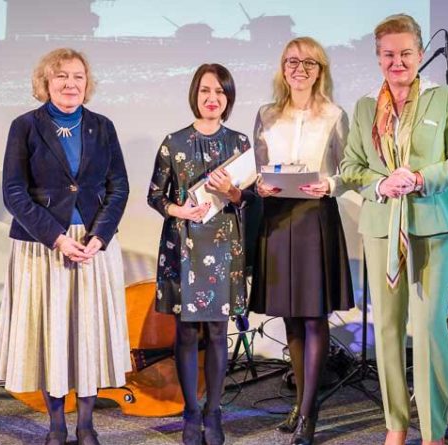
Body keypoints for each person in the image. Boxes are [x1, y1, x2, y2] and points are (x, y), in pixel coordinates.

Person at [339, 14, 448, 445]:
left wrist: (421, 178)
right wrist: (380, 184)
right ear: (378, 57)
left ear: (420, 55)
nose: (396, 62)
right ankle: (396, 426)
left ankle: (434, 431)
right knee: (387, 330)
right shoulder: (365, 106)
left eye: (405, 53)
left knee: (430, 327)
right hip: (382, 226)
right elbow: (351, 167)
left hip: (433, 226)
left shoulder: (443, 98)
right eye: (388, 54)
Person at [0, 48, 131, 445]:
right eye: (61, 76)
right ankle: (56, 426)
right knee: (49, 335)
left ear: (87, 84)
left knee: (89, 333)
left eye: (78, 77)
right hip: (43, 245)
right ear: (45, 83)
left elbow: (118, 187)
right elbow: (13, 192)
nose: (71, 83)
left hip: (93, 246)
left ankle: (86, 425)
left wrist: (99, 237)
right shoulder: (24, 126)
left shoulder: (103, 126)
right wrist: (56, 238)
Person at [249, 36, 354, 445]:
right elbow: (258, 169)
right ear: (283, 68)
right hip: (277, 218)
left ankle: (310, 413)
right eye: (292, 61)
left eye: (309, 63)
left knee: (313, 316)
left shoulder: (334, 114)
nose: (299, 69)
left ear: (320, 70)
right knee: (290, 316)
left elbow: (350, 170)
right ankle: (299, 403)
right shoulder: (266, 114)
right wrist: (259, 186)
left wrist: (330, 184)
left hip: (314, 218)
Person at [147, 63, 253, 445]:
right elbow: (154, 195)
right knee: (187, 331)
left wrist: (232, 193)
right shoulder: (173, 143)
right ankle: (191, 412)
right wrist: (179, 210)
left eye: (220, 92)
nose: (212, 98)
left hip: (224, 246)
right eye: (206, 90)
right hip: (184, 245)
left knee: (219, 331)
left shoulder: (240, 144)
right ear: (195, 93)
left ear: (228, 98)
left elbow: (247, 198)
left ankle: (214, 412)